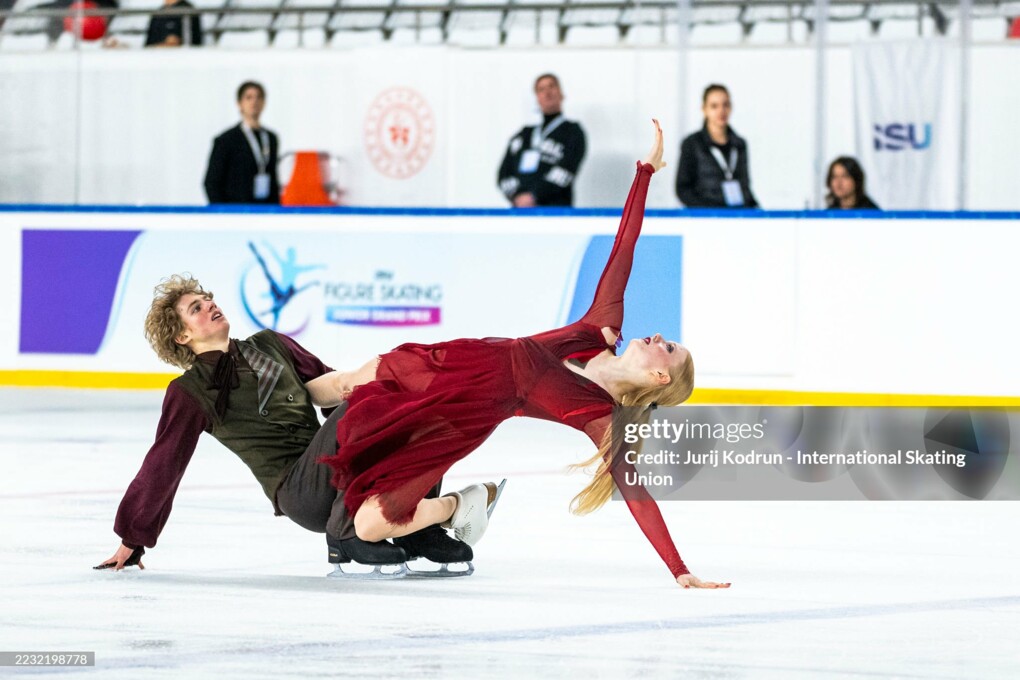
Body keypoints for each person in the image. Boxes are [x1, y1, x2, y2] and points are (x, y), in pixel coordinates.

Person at [323, 122, 729, 589]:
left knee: (371, 525)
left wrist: (679, 569)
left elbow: (636, 493)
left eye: (670, 348)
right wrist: (644, 173)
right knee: (343, 384)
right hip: (454, 361)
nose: (660, 335)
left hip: (462, 417)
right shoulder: (600, 325)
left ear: (661, 377)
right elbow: (625, 245)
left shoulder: (597, 415)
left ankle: (465, 504)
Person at [94, 275, 472, 575]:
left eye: (207, 298)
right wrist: (134, 537)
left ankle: (419, 524)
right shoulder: (190, 391)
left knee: (410, 408)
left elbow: (331, 389)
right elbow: (163, 465)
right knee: (367, 408)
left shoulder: (270, 344)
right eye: (196, 307)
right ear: (183, 336)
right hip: (301, 491)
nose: (210, 304)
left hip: (334, 470)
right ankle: (343, 537)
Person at [497, 73, 587, 208]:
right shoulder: (522, 136)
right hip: (520, 213)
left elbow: (567, 170)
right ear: (537, 98)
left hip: (556, 212)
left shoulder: (573, 132)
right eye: (541, 89)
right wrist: (518, 196)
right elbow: (504, 174)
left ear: (561, 94)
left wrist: (534, 195)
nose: (547, 92)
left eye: (552, 86)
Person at [675, 84, 758, 209]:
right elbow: (683, 189)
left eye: (725, 105)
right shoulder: (692, 144)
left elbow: (744, 185)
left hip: (737, 215)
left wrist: (754, 209)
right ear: (704, 109)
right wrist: (708, 211)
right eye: (714, 106)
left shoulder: (739, 144)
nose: (721, 111)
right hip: (706, 217)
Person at [203, 81, 281, 205]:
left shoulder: (271, 138)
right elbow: (212, 183)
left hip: (264, 209)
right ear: (239, 104)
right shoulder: (226, 140)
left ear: (264, 103)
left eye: (258, 97)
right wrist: (223, 213)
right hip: (236, 211)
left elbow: (273, 177)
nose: (254, 102)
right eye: (249, 97)